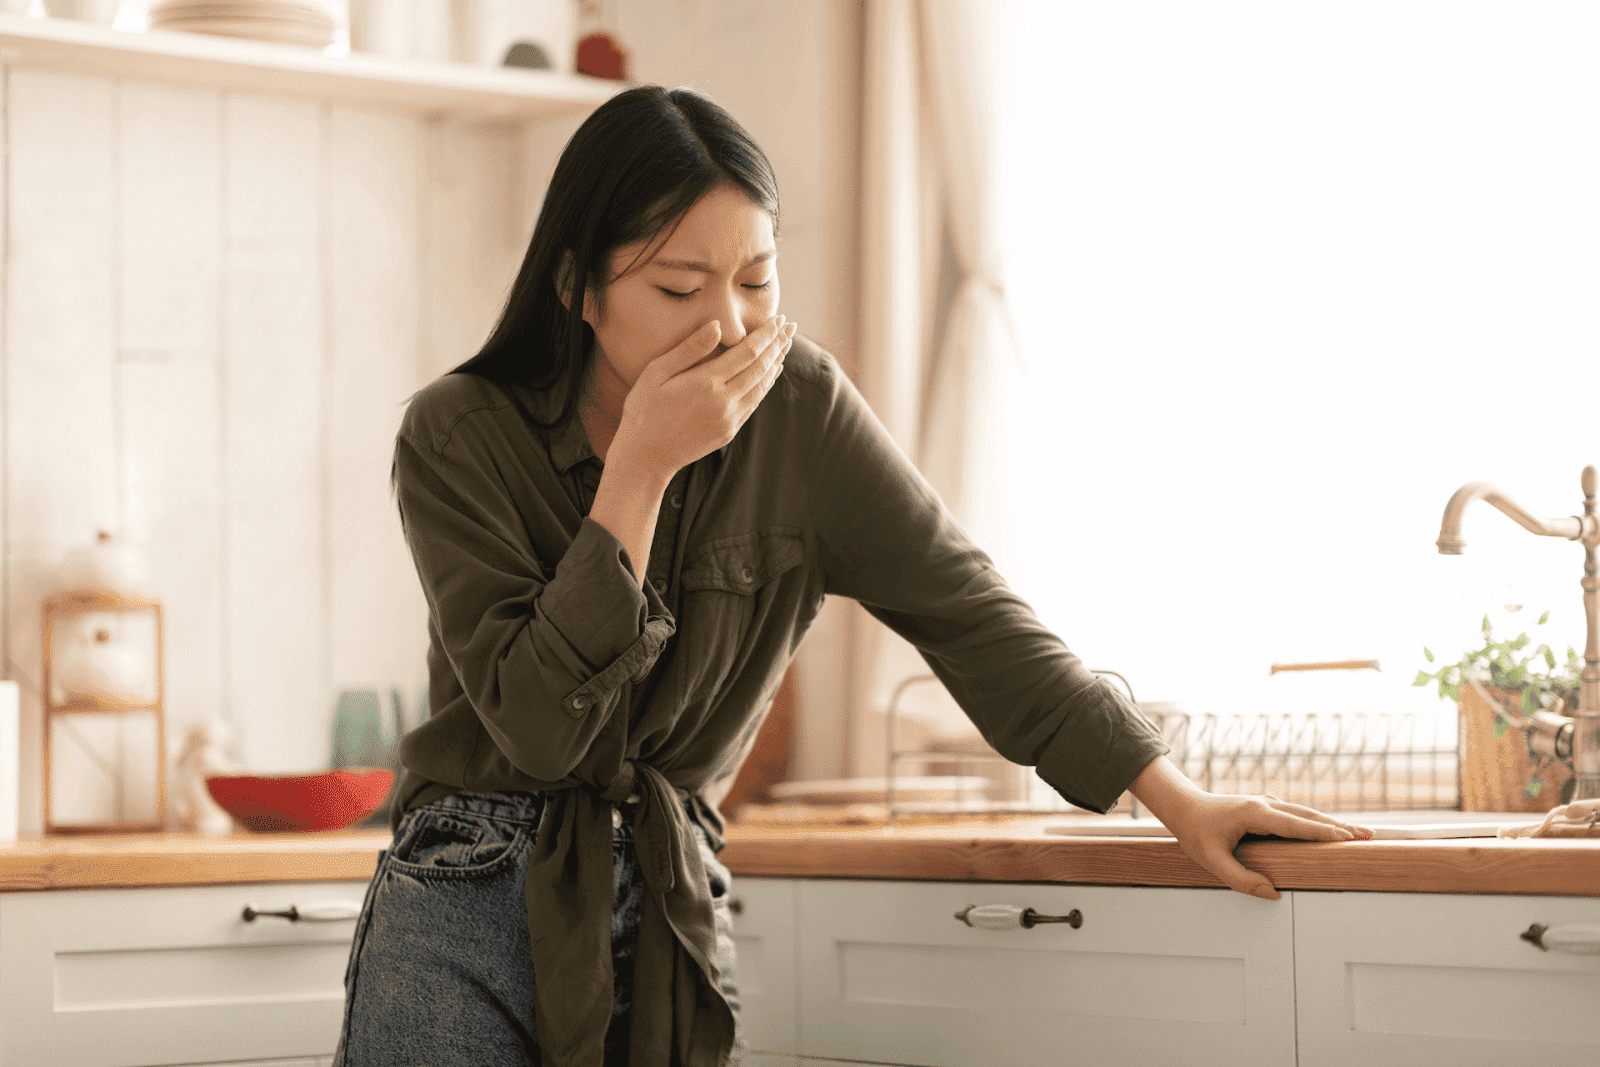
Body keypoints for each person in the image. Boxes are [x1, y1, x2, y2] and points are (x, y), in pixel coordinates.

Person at [333, 84, 1376, 1067]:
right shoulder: (456, 431)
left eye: (756, 279)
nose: (732, 325)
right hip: (467, 891)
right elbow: (541, 727)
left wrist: (1175, 796)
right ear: (576, 288)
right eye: (679, 287)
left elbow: (970, 613)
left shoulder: (805, 412)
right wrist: (644, 465)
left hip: (664, 884)